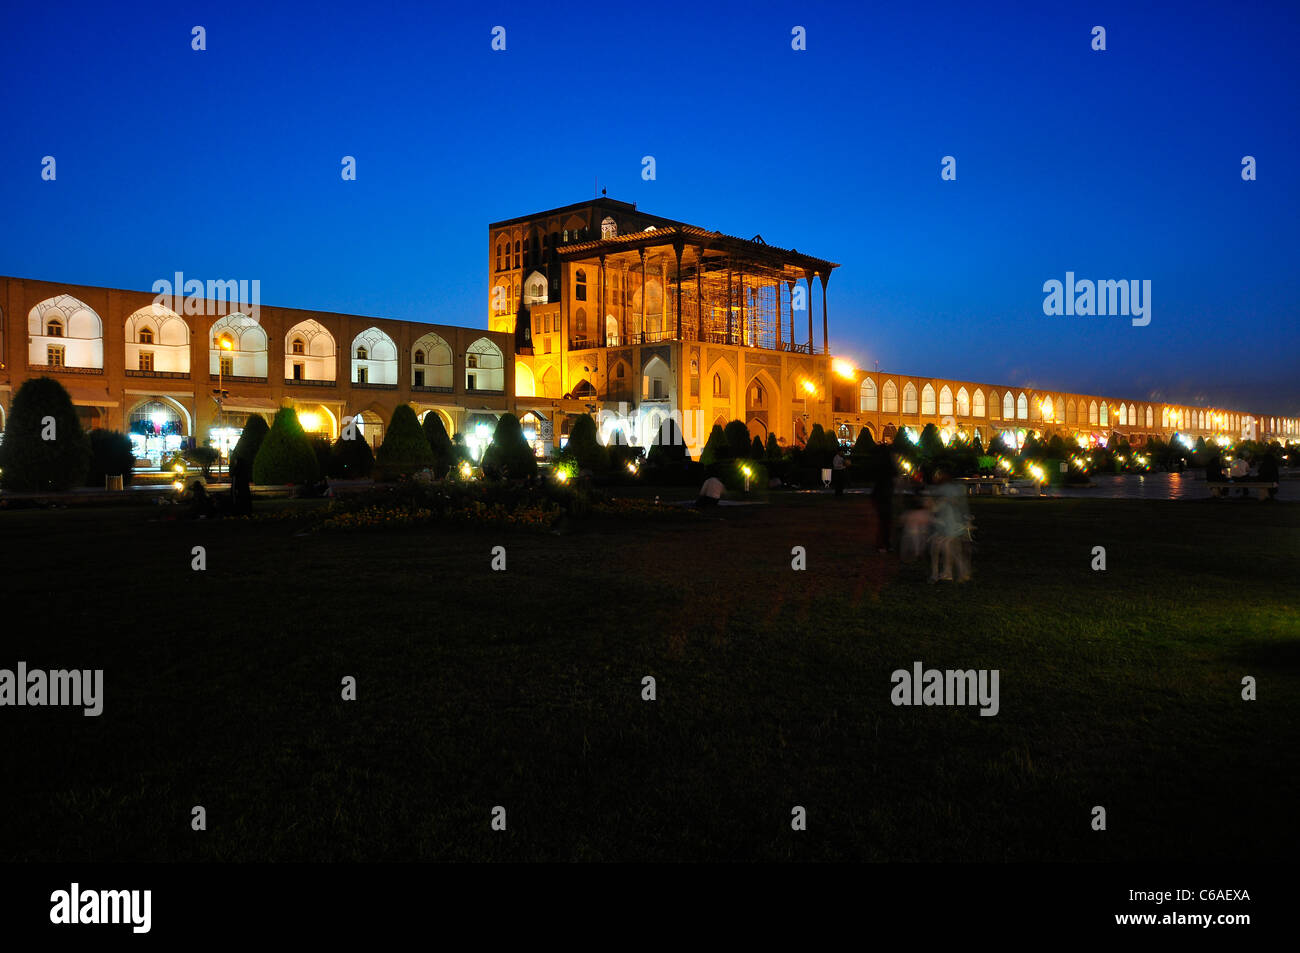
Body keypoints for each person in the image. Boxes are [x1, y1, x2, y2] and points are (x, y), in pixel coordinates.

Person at [929, 470, 972, 583]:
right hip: (951, 523)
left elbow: (955, 503)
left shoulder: (945, 489)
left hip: (950, 523)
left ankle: (950, 573)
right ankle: (958, 573)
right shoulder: (952, 488)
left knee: (948, 547)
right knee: (952, 548)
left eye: (937, 475)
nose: (935, 477)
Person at [870, 447, 897, 552]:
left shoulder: (879, 465)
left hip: (880, 495)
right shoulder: (888, 466)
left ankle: (884, 544)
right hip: (884, 495)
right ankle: (883, 544)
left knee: (884, 521)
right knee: (885, 521)